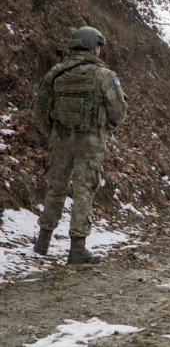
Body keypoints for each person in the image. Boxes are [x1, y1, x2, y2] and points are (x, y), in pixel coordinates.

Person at [32, 26, 128, 263]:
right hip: (91, 142)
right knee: (84, 190)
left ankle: (42, 242)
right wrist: (106, 128)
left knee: (56, 188)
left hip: (61, 139)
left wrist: (53, 132)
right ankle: (77, 249)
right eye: (99, 46)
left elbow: (40, 108)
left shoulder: (55, 72)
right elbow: (119, 110)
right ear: (94, 46)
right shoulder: (104, 75)